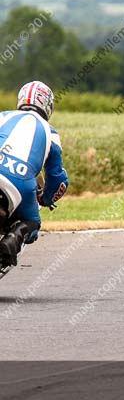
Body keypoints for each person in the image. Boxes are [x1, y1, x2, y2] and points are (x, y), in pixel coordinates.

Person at [0, 81, 68, 267]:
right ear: (48, 105)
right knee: (32, 221)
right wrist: (46, 199)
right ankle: (12, 239)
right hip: (19, 182)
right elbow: (58, 178)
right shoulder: (51, 133)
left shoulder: (3, 116)